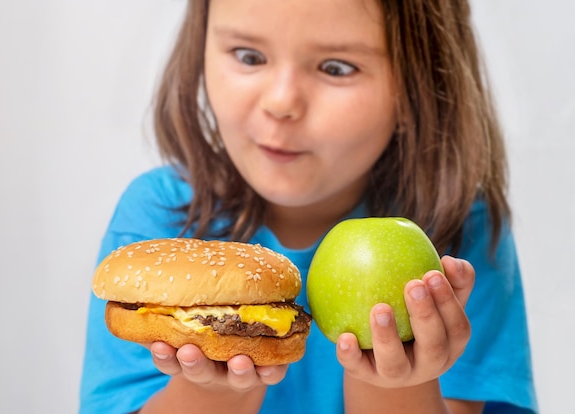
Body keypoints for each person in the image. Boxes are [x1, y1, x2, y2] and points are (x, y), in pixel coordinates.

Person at [80, 0, 537, 413]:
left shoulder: (456, 235)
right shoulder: (158, 218)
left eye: (336, 67)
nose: (281, 102)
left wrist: (394, 380)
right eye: (249, 56)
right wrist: (214, 387)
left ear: (419, 86)